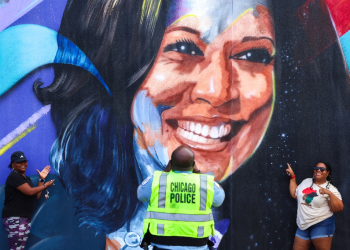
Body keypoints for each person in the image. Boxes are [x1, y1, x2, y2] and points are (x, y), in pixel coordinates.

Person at [137, 145, 225, 250]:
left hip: (162, 243)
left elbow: (141, 195)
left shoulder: (157, 180)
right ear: (193, 165)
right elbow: (219, 200)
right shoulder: (205, 183)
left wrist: (164, 173)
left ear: (171, 163)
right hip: (197, 244)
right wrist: (198, 173)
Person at [2, 151, 55, 250]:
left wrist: (41, 179)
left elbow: (36, 196)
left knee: (20, 247)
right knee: (16, 247)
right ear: (12, 164)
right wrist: (45, 186)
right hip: (15, 219)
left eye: (24, 161)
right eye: (19, 162)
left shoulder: (26, 179)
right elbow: (30, 192)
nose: (23, 164)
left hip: (23, 218)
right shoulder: (14, 176)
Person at [286, 162, 344, 250]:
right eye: (316, 168)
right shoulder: (306, 181)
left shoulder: (331, 188)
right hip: (303, 225)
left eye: (322, 169)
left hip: (321, 224)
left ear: (327, 173)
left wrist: (329, 194)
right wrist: (292, 177)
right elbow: (295, 194)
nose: (318, 170)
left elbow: (339, 208)